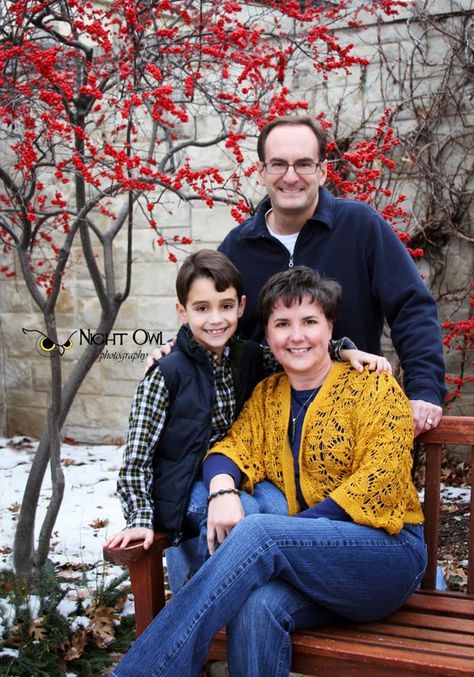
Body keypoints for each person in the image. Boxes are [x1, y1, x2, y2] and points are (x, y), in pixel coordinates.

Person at [111, 266, 427, 677]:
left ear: (330, 329)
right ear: (270, 336)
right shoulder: (268, 395)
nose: (296, 336)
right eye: (282, 324)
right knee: (257, 606)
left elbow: (377, 485)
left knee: (260, 531)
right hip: (312, 571)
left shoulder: (374, 388)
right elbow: (230, 448)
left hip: (386, 557)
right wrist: (222, 491)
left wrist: (287, 535)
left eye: (310, 321)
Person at [105, 250, 389, 591]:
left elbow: (296, 351)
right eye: (202, 308)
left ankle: (272, 598)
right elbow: (137, 459)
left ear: (240, 306)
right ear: (182, 312)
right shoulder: (165, 374)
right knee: (244, 520)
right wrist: (139, 517)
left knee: (281, 508)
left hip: (242, 474)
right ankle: (203, 595)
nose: (215, 319)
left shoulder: (249, 356)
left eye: (225, 306)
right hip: (184, 489)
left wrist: (343, 349)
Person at [218, 115, 446, 436]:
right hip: (265, 432)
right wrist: (176, 349)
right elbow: (213, 326)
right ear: (261, 172)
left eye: (304, 164)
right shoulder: (236, 248)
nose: (291, 177)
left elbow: (412, 308)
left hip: (354, 425)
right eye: (279, 164)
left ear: (323, 171)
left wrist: (424, 389)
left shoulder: (360, 226)